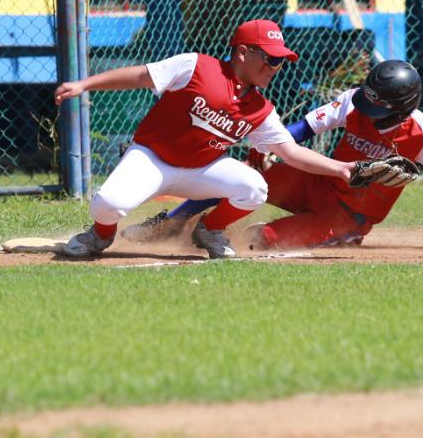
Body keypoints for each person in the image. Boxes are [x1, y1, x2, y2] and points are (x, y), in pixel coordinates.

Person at [51, 19, 363, 260]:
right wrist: (84, 84)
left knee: (254, 188)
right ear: (242, 52)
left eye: (281, 61)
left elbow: (291, 153)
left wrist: (342, 168)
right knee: (107, 205)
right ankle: (101, 235)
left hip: (201, 171)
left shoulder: (261, 110)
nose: (276, 68)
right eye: (270, 59)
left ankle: (209, 231)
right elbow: (140, 76)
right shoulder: (197, 66)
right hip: (152, 159)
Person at [129, 59, 423, 251]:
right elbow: (301, 130)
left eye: (375, 105)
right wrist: (266, 148)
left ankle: (339, 236)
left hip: (347, 215)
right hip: (318, 183)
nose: (365, 108)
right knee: (241, 177)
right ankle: (173, 222)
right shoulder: (353, 102)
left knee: (259, 240)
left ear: (400, 108)